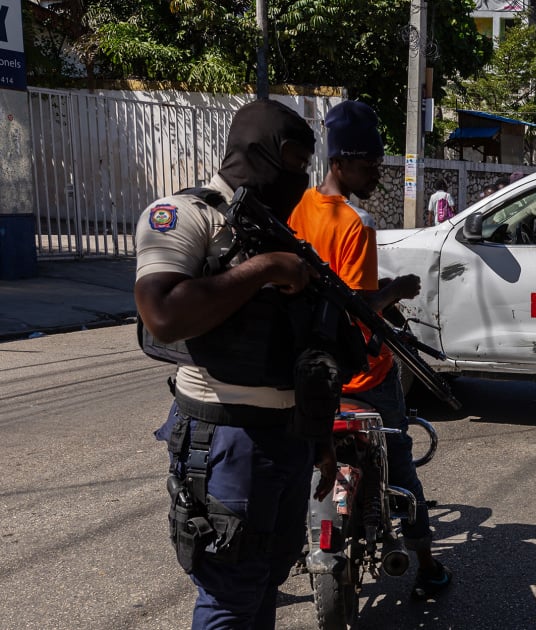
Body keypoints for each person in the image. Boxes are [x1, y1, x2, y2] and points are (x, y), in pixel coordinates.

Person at [136, 99, 331, 628]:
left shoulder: (276, 229)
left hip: (288, 435)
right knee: (231, 592)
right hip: (225, 435)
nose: (299, 174)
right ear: (254, 149)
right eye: (290, 159)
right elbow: (162, 313)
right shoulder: (184, 214)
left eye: (305, 162)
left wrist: (320, 441)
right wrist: (266, 269)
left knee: (268, 576)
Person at [286, 100, 452, 600]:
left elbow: (321, 287)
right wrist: (397, 289)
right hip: (363, 375)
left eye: (379, 165)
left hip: (312, 372)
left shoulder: (301, 209)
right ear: (339, 163)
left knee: (297, 460)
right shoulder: (356, 222)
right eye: (368, 165)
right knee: (399, 458)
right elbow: (359, 306)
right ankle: (426, 565)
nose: (376, 174)